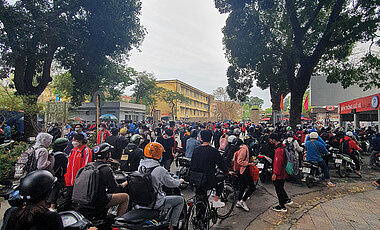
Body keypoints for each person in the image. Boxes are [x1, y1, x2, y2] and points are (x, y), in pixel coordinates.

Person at [138, 142, 184, 230]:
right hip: (155, 203)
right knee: (180, 200)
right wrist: (180, 181)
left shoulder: (141, 166)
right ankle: (172, 225)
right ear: (158, 154)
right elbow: (172, 183)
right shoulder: (159, 170)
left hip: (141, 203)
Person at [190, 130, 229, 208]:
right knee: (221, 182)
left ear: (201, 138)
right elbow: (221, 164)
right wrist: (226, 172)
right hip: (207, 179)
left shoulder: (196, 150)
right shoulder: (213, 151)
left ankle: (199, 217)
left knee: (200, 196)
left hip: (195, 178)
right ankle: (216, 200)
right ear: (211, 138)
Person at [90, 143, 129, 217]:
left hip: (89, 198)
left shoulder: (90, 165)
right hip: (99, 200)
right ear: (107, 154)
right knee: (125, 197)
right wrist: (126, 183)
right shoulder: (106, 169)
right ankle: (118, 222)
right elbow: (115, 188)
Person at [64, 133, 93, 209]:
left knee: (77, 200)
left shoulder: (86, 151)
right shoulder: (73, 151)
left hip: (79, 180)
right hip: (70, 179)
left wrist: (81, 178)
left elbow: (86, 166)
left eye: (75, 140)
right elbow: (69, 164)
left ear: (80, 141)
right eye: (73, 140)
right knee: (68, 198)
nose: (73, 142)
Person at [268, 134, 292, 212]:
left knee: (278, 188)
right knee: (280, 187)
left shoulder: (279, 150)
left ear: (274, 140)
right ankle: (285, 199)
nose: (270, 141)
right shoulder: (283, 147)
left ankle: (282, 206)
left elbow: (278, 162)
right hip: (283, 172)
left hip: (280, 173)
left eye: (271, 139)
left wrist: (275, 173)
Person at [234, 140, 256, 212]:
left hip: (244, 170)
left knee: (243, 186)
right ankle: (243, 200)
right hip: (243, 170)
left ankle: (239, 201)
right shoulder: (244, 150)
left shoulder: (245, 149)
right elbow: (239, 161)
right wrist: (249, 164)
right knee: (252, 187)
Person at [48, 138, 69, 211]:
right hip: (58, 177)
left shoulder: (51, 153)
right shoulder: (62, 157)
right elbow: (65, 169)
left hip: (49, 175)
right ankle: (53, 205)